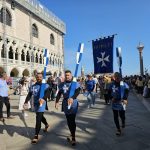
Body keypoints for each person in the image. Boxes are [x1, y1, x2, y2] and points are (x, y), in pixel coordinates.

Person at [55, 70, 81, 146]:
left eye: (68, 75)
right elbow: (59, 93)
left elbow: (77, 91)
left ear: (71, 75)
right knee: (68, 120)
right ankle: (72, 133)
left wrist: (72, 98)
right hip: (65, 103)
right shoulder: (62, 84)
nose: (67, 76)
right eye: (66, 75)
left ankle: (73, 137)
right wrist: (56, 102)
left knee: (72, 120)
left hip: (73, 103)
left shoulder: (75, 83)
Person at [24, 72, 50, 144]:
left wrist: (43, 98)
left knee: (38, 118)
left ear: (42, 77)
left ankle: (36, 135)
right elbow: (29, 94)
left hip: (42, 104)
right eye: (37, 77)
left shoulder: (46, 85)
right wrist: (26, 102)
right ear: (36, 78)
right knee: (40, 117)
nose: (39, 78)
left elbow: (48, 93)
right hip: (35, 104)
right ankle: (46, 124)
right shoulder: (33, 86)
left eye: (40, 77)